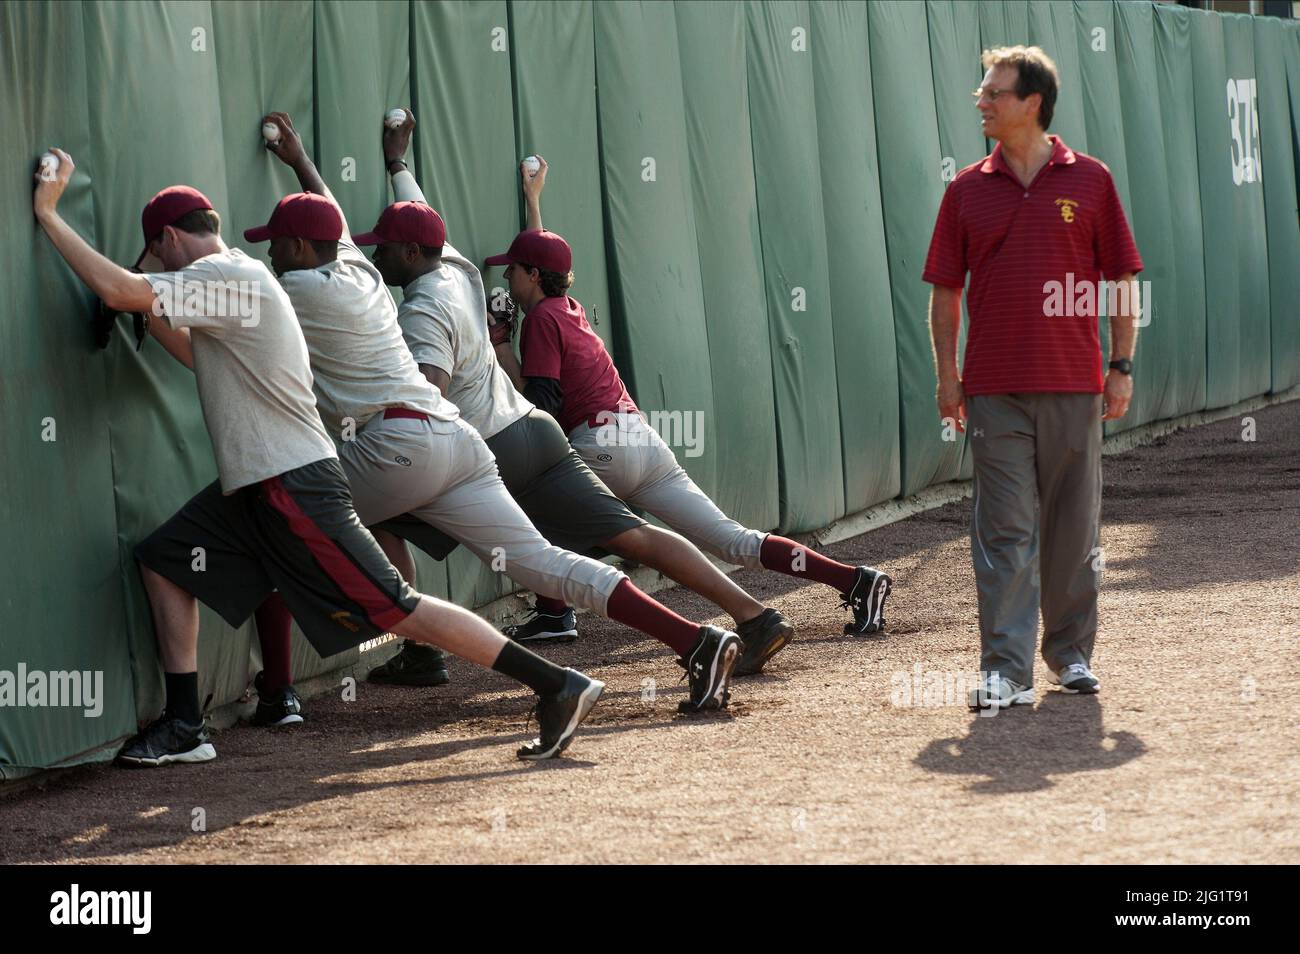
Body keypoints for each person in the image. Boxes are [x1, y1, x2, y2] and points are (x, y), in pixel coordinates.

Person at [32, 149, 602, 764]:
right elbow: (200, 356)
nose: (159, 272)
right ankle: (183, 724)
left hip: (293, 483)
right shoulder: (238, 285)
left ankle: (556, 684)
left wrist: (49, 212)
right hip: (256, 485)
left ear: (169, 238)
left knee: (395, 609)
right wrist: (143, 305)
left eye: (157, 257)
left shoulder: (232, 277)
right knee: (167, 562)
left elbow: (120, 287)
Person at [249, 112, 745, 714]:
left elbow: (421, 379)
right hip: (472, 442)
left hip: (410, 442)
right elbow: (346, 222)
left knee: (276, 519)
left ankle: (278, 692)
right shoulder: (445, 268)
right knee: (544, 563)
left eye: (278, 244)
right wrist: (350, 162)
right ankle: (695, 638)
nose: (377, 254)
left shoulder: (330, 294)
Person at [358, 108, 791, 685]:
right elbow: (423, 222)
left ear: (410, 256)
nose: (373, 256)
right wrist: (397, 164)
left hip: (484, 450)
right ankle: (753, 615)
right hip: (537, 431)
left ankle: (424, 648)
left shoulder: (421, 309)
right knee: (627, 535)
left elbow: (428, 402)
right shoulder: (459, 271)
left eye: (382, 248)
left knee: (383, 511)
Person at [480, 160, 895, 670]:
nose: (506, 275)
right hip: (640, 440)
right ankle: (855, 580)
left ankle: (555, 613)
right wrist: (534, 201)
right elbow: (543, 256)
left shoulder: (541, 319)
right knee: (732, 539)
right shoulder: (568, 307)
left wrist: (500, 346)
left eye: (512, 269)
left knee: (533, 506)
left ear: (534, 276)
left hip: (598, 447)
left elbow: (540, 407)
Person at [921, 46, 1143, 709]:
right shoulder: (964, 189)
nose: (981, 101)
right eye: (982, 91)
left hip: (1076, 385)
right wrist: (947, 377)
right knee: (1005, 531)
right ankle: (1006, 671)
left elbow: (1122, 280)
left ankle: (1070, 657)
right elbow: (944, 291)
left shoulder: (1092, 181)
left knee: (1074, 530)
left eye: (993, 92)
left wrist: (1121, 365)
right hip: (993, 391)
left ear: (1031, 104)